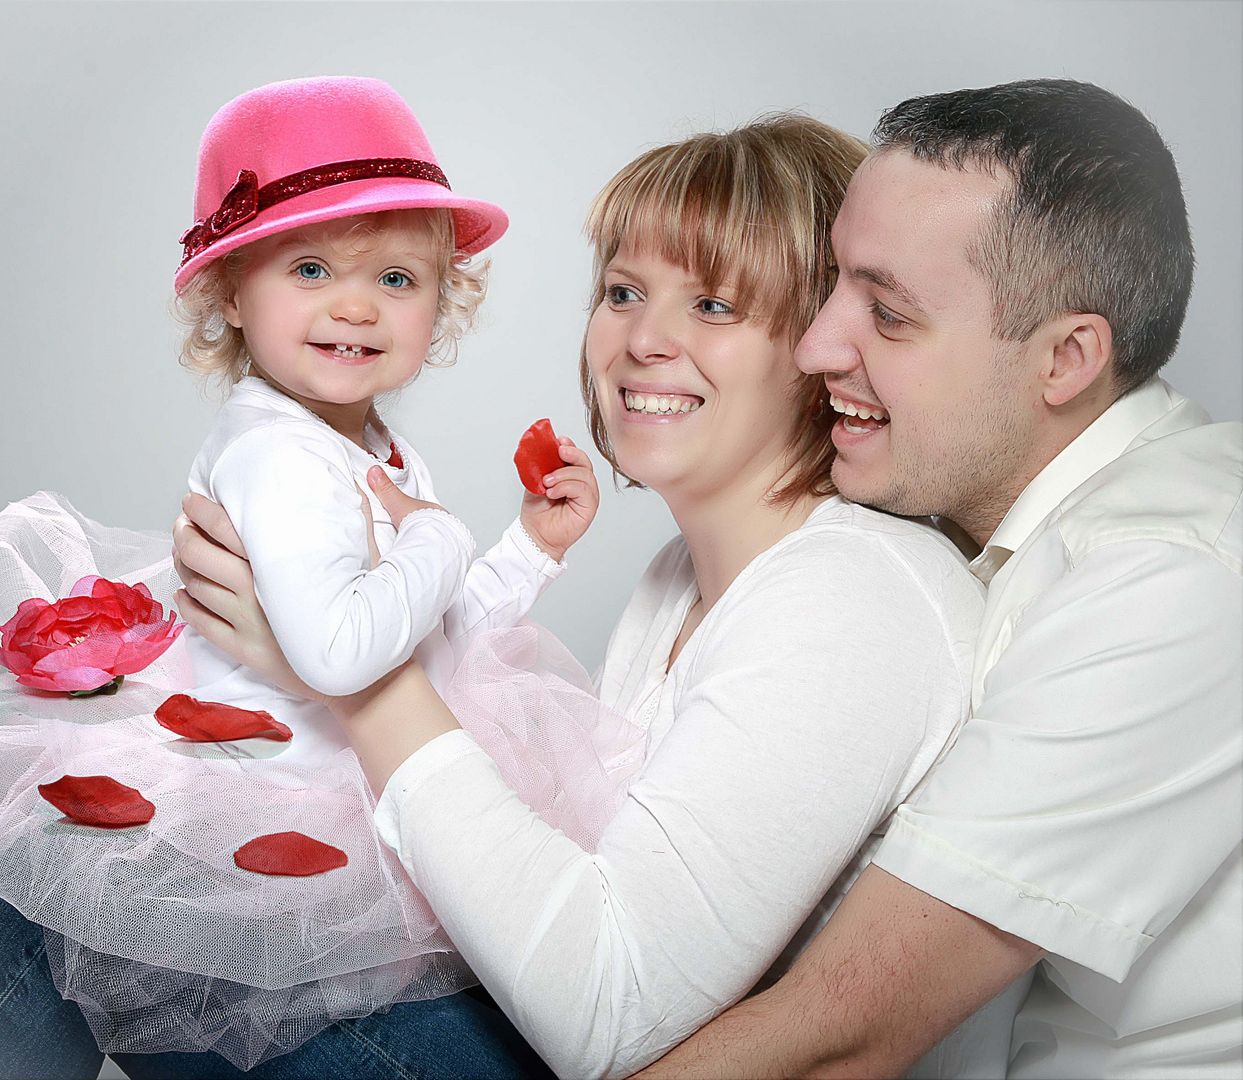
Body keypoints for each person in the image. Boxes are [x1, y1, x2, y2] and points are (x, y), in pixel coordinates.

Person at [168, 114, 1021, 1079]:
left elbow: (607, 1019)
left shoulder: (852, 596)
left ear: (823, 343)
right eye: (623, 292)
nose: (644, 340)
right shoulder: (675, 582)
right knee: (84, 909)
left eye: (715, 306)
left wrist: (353, 680)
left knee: (48, 919)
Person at [0, 75, 600, 1072]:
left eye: (395, 278)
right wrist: (439, 539)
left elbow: (427, 645)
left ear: (441, 301)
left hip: (350, 774)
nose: (355, 305)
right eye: (307, 267)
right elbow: (342, 654)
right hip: (277, 795)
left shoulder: (366, 446)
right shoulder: (278, 456)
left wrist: (527, 550)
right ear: (231, 296)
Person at [630, 79, 1243, 1079]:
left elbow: (842, 1035)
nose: (815, 344)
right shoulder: (934, 524)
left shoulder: (1171, 579)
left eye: (888, 313)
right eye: (832, 284)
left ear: (1064, 361)